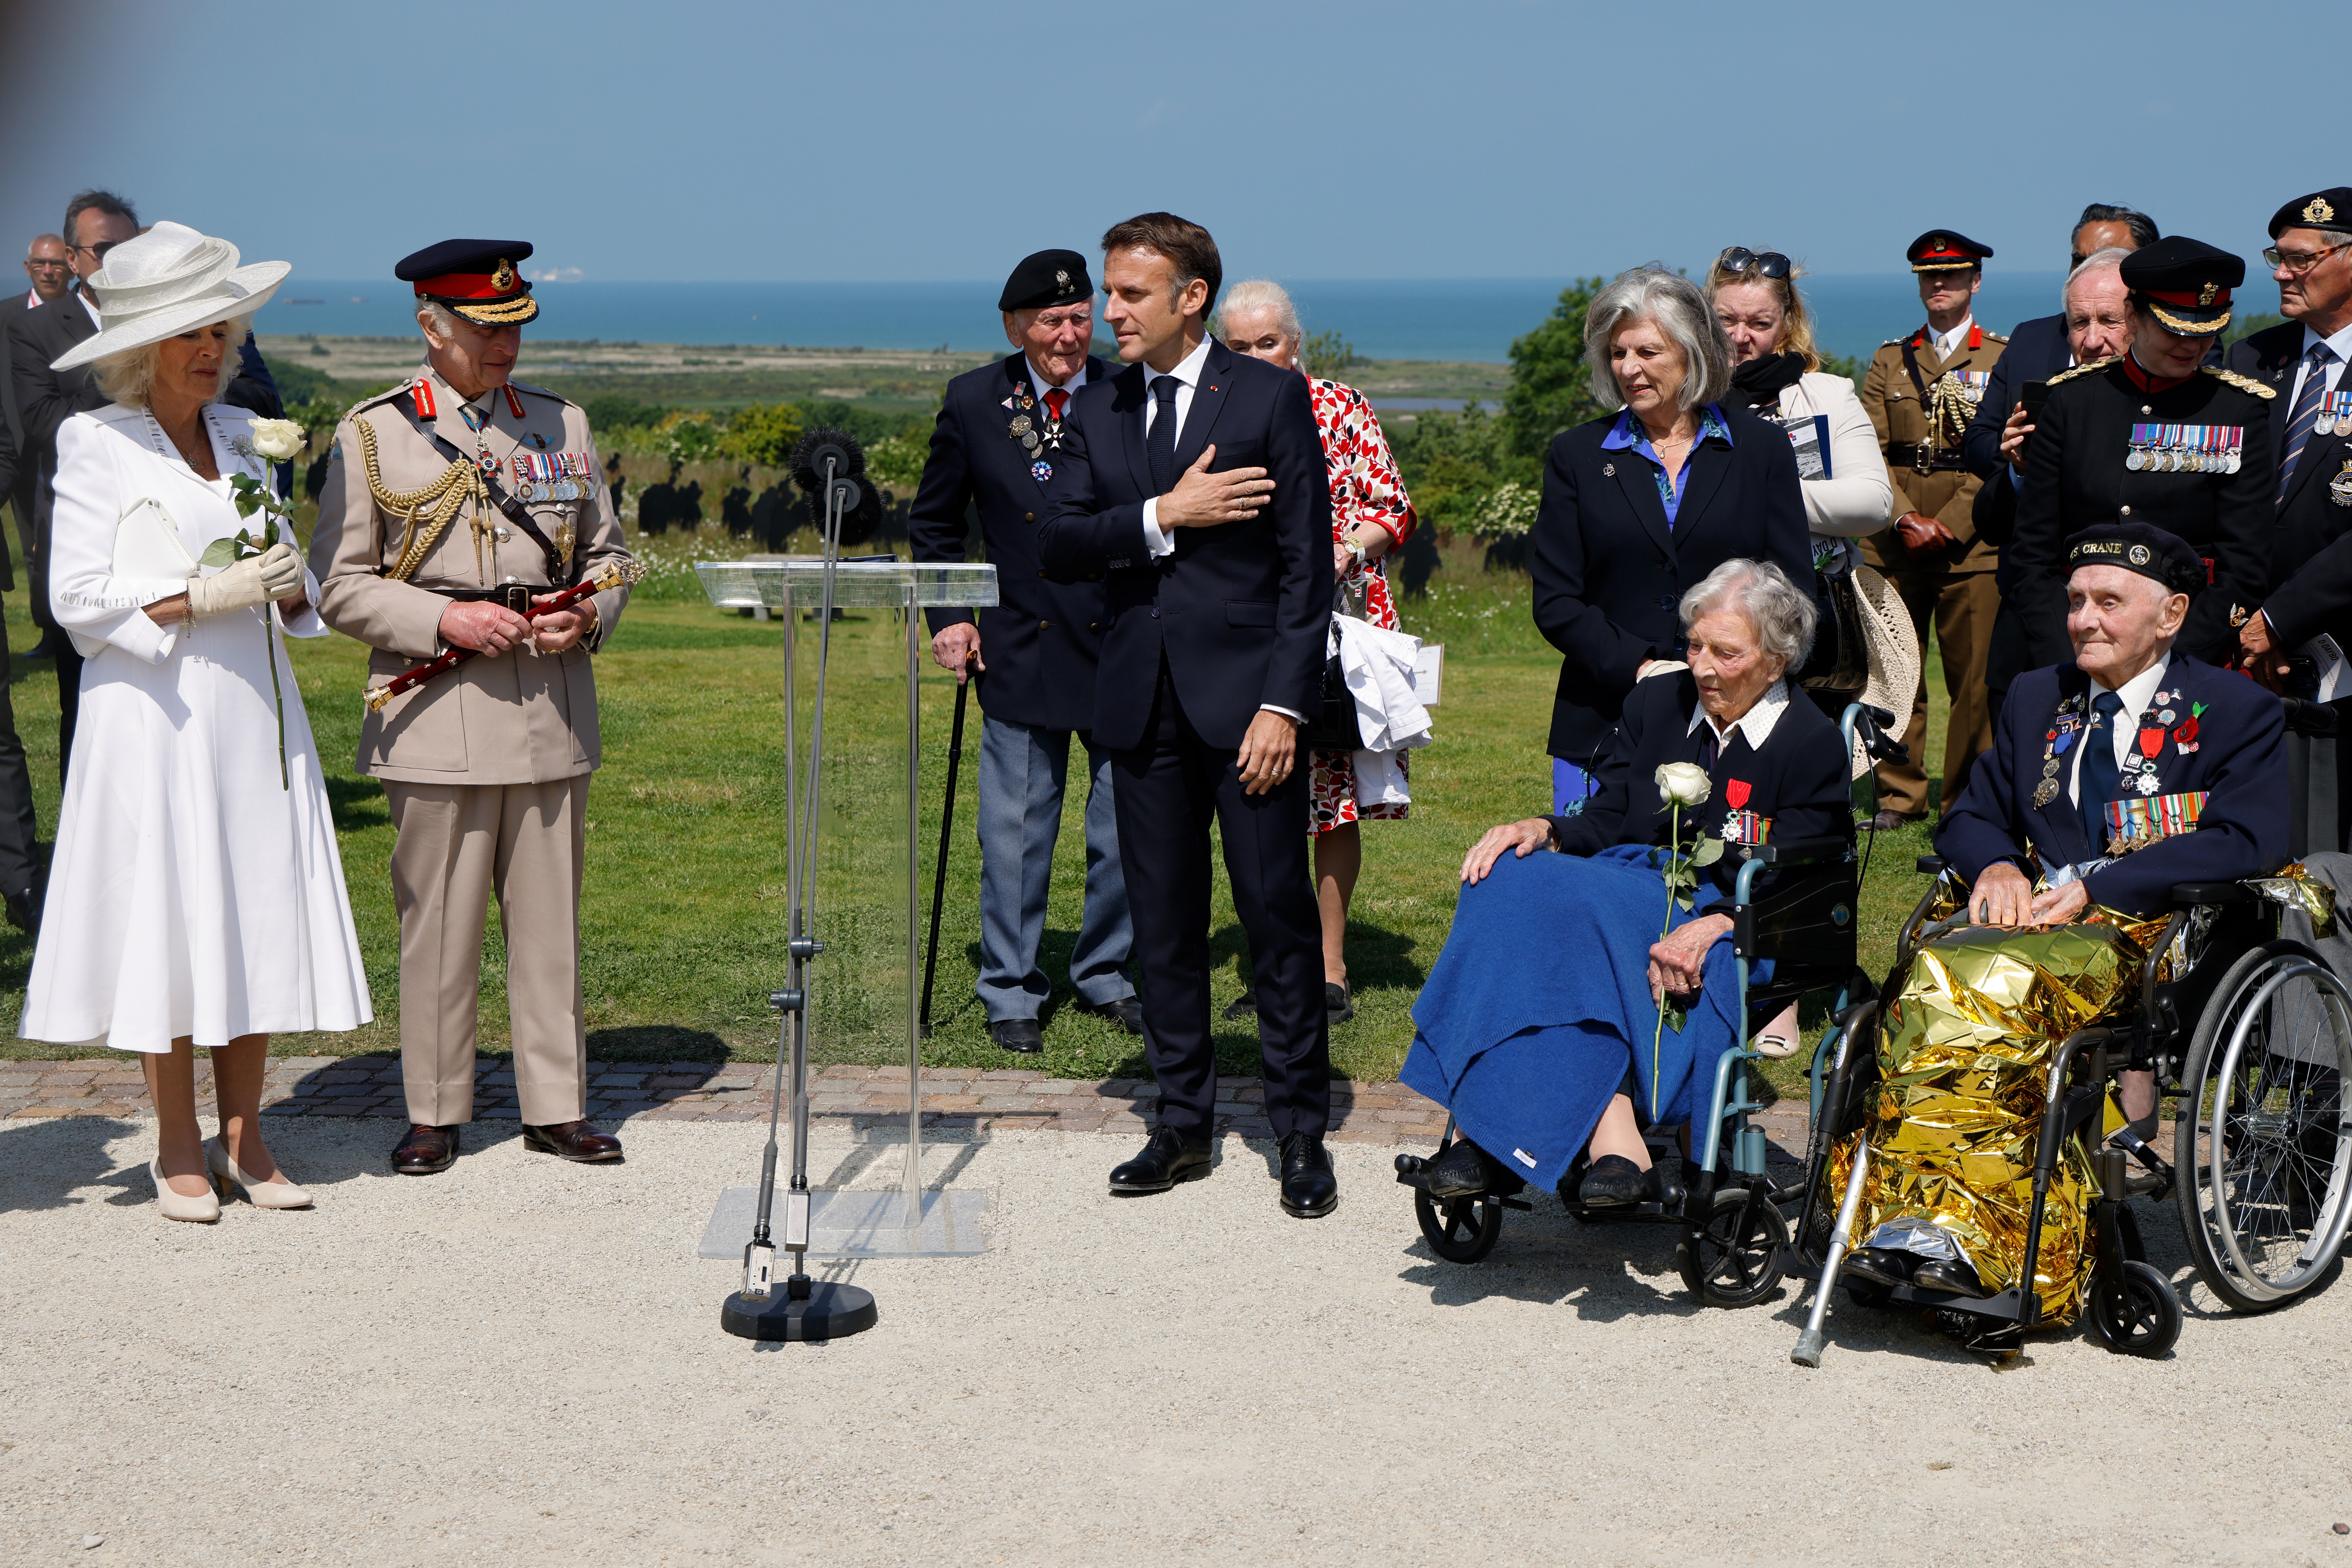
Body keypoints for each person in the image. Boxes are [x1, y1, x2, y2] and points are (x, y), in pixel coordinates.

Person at [16, 221, 373, 1222]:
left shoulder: (242, 435)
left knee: (256, 906)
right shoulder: (95, 441)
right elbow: (79, 598)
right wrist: (203, 596)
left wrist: (293, 587)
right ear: (142, 351)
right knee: (168, 918)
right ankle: (175, 1140)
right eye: (191, 334)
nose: (214, 349)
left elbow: (284, 579)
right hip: (153, 718)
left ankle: (249, 1136)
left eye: (222, 328)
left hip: (251, 711)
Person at [1840, 523, 2285, 1307]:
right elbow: (1970, 815)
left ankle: (1974, 1235)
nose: (2084, 619)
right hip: (2032, 928)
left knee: (1967, 976)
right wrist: (2000, 863)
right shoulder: (2038, 696)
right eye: (2077, 600)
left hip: (2145, 932)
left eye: (2109, 603)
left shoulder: (2235, 708)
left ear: (2171, 614)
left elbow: (2248, 838)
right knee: (1938, 978)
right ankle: (1917, 1223)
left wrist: (2104, 885)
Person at [309, 238, 637, 1178]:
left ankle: (557, 1105)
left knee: (550, 928)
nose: (506, 350)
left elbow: (609, 555)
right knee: (439, 927)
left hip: (549, 708)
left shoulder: (559, 424)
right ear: (431, 326)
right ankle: (435, 1109)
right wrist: (445, 614)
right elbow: (340, 586)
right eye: (487, 331)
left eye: (515, 329)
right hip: (436, 712)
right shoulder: (375, 432)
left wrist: (590, 612)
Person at [1038, 212, 1338, 1218]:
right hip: (1138, 708)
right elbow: (1064, 543)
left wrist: (1282, 705)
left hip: (1252, 711)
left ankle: (1299, 1132)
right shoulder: (1097, 404)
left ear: (1188, 297)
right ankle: (1180, 1123)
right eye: (1107, 291)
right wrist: (1169, 513)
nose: (1105, 312)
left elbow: (1306, 573)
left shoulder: (1268, 395)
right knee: (1161, 930)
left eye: (1127, 294)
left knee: (1275, 920)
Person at [1405, 560, 1851, 1206]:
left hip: (1731, 919)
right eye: (1694, 645)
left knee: (1579, 912)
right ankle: (1603, 1140)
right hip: (1622, 892)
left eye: (1725, 653)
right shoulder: (1656, 702)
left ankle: (1503, 1136)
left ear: (1777, 660)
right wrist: (1543, 829)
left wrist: (1721, 920)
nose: (1701, 667)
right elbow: (1610, 813)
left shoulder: (1809, 741)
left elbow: (1808, 873)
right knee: (1503, 873)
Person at [906, 248, 1138, 1052]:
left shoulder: (1126, 391)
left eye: (1080, 318)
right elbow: (935, 526)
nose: (1069, 336)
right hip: (1020, 643)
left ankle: (1107, 973)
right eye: (1051, 320)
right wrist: (948, 615)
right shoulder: (976, 399)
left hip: (1121, 644)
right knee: (1015, 832)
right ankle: (1010, 988)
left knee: (1123, 830)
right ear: (1015, 325)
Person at [1529, 266, 1813, 815]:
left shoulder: (1760, 450)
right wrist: (1642, 669)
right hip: (1602, 716)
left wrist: (1727, 667)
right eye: (1617, 353)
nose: (1628, 369)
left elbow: (1792, 590)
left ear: (1693, 352)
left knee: (1712, 883)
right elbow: (1556, 602)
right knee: (1595, 876)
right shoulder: (1577, 456)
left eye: (1647, 352)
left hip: (1734, 715)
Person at [1218, 277, 1416, 1024]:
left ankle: (1329, 967)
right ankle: (1275, 961)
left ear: (1294, 343)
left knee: (1332, 800)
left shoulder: (1340, 406)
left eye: (1266, 342)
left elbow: (1392, 507)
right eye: (1238, 345)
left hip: (1340, 628)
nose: (1254, 356)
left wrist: (1344, 548)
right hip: (1243, 629)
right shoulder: (1214, 405)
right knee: (1257, 794)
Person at [2008, 237, 2274, 673]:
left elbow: (2244, 566)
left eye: (2206, 331)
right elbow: (2032, 557)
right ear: (2133, 316)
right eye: (2174, 329)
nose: (2192, 346)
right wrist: (2068, 657)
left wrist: (2169, 664)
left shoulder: (2237, 410)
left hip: (2184, 652)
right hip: (2074, 647)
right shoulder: (2071, 403)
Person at [1705, 245, 1895, 721]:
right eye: (1725, 320)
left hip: (1806, 619)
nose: (1739, 337)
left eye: (1759, 323)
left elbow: (1873, 503)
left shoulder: (1826, 397)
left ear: (1787, 324)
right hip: (1706, 615)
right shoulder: (1681, 401)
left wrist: (1762, 496)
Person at [1965, 229, 2147, 719]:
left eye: (2110, 321)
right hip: (2034, 635)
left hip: (2136, 640)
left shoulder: (2169, 410)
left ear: (2142, 321)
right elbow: (1991, 522)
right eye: (2078, 323)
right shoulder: (2051, 393)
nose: (2092, 341)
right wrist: (2018, 472)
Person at [1860, 231, 2009, 828]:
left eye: (1951, 276)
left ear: (1975, 282)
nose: (1938, 285)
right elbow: (1866, 450)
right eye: (1928, 277)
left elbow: (2001, 453)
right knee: (1895, 674)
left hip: (1971, 544)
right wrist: (1902, 518)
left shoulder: (2001, 356)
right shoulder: (1888, 359)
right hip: (1893, 540)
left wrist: (1946, 525)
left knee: (1972, 682)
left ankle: (1965, 802)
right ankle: (1898, 796)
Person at [9, 190, 138, 758]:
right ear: (74, 257)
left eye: (132, 248)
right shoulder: (35, 329)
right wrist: (122, 370)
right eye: (106, 248)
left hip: (165, 531)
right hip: (86, 530)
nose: (120, 260)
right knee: (83, 701)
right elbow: (41, 423)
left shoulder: (172, 317)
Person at [2231, 189, 2352, 694]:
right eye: (2278, 259)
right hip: (2244, 643)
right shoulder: (2250, 359)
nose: (2282, 274)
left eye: (2300, 260)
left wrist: (2280, 618)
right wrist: (2246, 619)